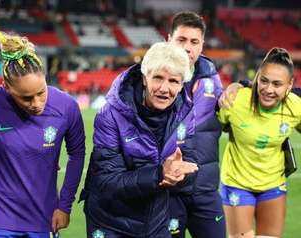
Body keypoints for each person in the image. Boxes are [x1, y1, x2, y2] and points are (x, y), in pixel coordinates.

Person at [0, 26, 85, 237]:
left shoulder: (67, 106)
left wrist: (65, 205)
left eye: (41, 92)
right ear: (6, 86)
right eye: (25, 98)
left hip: (44, 218)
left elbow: (77, 154)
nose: (36, 103)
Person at [80, 42, 199, 237]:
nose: (164, 88)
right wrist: (160, 174)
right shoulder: (111, 114)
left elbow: (190, 167)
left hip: (155, 221)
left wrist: (179, 176)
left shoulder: (185, 113)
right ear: (145, 78)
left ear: (181, 84)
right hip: (110, 222)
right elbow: (107, 180)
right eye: (158, 78)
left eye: (173, 81)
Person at [217, 47, 301, 238]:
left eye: (277, 84)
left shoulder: (296, 106)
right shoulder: (235, 101)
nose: (268, 89)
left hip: (273, 186)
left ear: (289, 85)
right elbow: (209, 129)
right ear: (256, 78)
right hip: (237, 184)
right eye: (264, 81)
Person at [166, 11, 226, 238]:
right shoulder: (152, 82)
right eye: (181, 40)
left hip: (205, 192)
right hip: (167, 193)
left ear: (202, 46)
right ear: (168, 39)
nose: (187, 47)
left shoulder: (213, 81)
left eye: (194, 42)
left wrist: (239, 85)